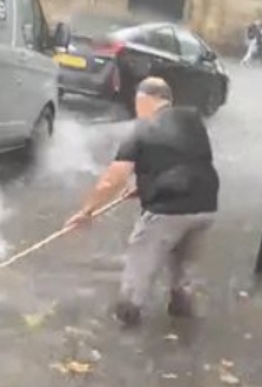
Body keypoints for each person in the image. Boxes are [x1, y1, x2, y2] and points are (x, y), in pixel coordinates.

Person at [65, 77, 220, 326]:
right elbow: (181, 159)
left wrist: (86, 212)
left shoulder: (141, 129)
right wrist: (145, 186)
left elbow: (112, 180)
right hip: (206, 206)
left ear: (144, 100)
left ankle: (128, 313)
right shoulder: (192, 120)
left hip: (167, 210)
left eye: (137, 103)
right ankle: (181, 306)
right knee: (185, 264)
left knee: (141, 262)